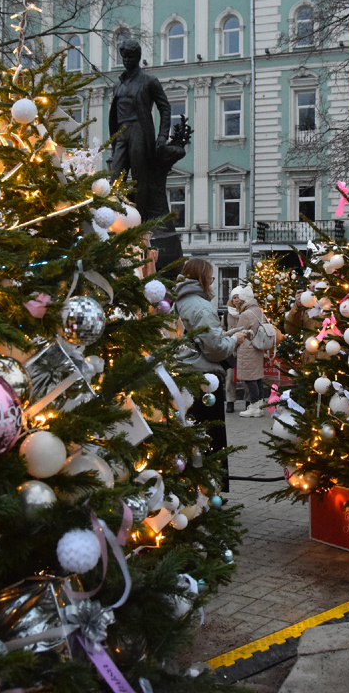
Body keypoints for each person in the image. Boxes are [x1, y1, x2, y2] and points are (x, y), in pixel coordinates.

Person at [171, 258, 249, 492]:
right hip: (205, 381)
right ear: (202, 278)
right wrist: (235, 340)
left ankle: (192, 486)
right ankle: (211, 489)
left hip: (184, 376)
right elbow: (214, 349)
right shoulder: (201, 305)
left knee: (191, 437)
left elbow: (200, 337)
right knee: (210, 438)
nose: (212, 283)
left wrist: (230, 333)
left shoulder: (179, 301)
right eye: (211, 277)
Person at [108, 37, 173, 227]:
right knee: (115, 177)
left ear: (137, 57)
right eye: (124, 56)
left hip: (139, 130)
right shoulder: (118, 84)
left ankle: (140, 221)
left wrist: (162, 136)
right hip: (121, 131)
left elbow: (165, 108)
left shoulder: (149, 81)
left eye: (130, 56)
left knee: (139, 178)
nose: (126, 60)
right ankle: (115, 220)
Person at [234, 287, 271, 417]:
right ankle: (259, 405)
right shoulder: (259, 311)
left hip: (247, 349)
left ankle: (254, 406)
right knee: (257, 378)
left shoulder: (245, 314)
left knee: (250, 379)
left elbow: (239, 332)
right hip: (258, 348)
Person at [223, 287, 245, 413]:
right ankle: (230, 401)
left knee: (245, 376)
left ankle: (248, 401)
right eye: (234, 297)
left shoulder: (246, 312)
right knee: (230, 377)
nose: (236, 300)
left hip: (244, 347)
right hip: (231, 348)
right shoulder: (227, 313)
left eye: (238, 297)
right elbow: (222, 329)